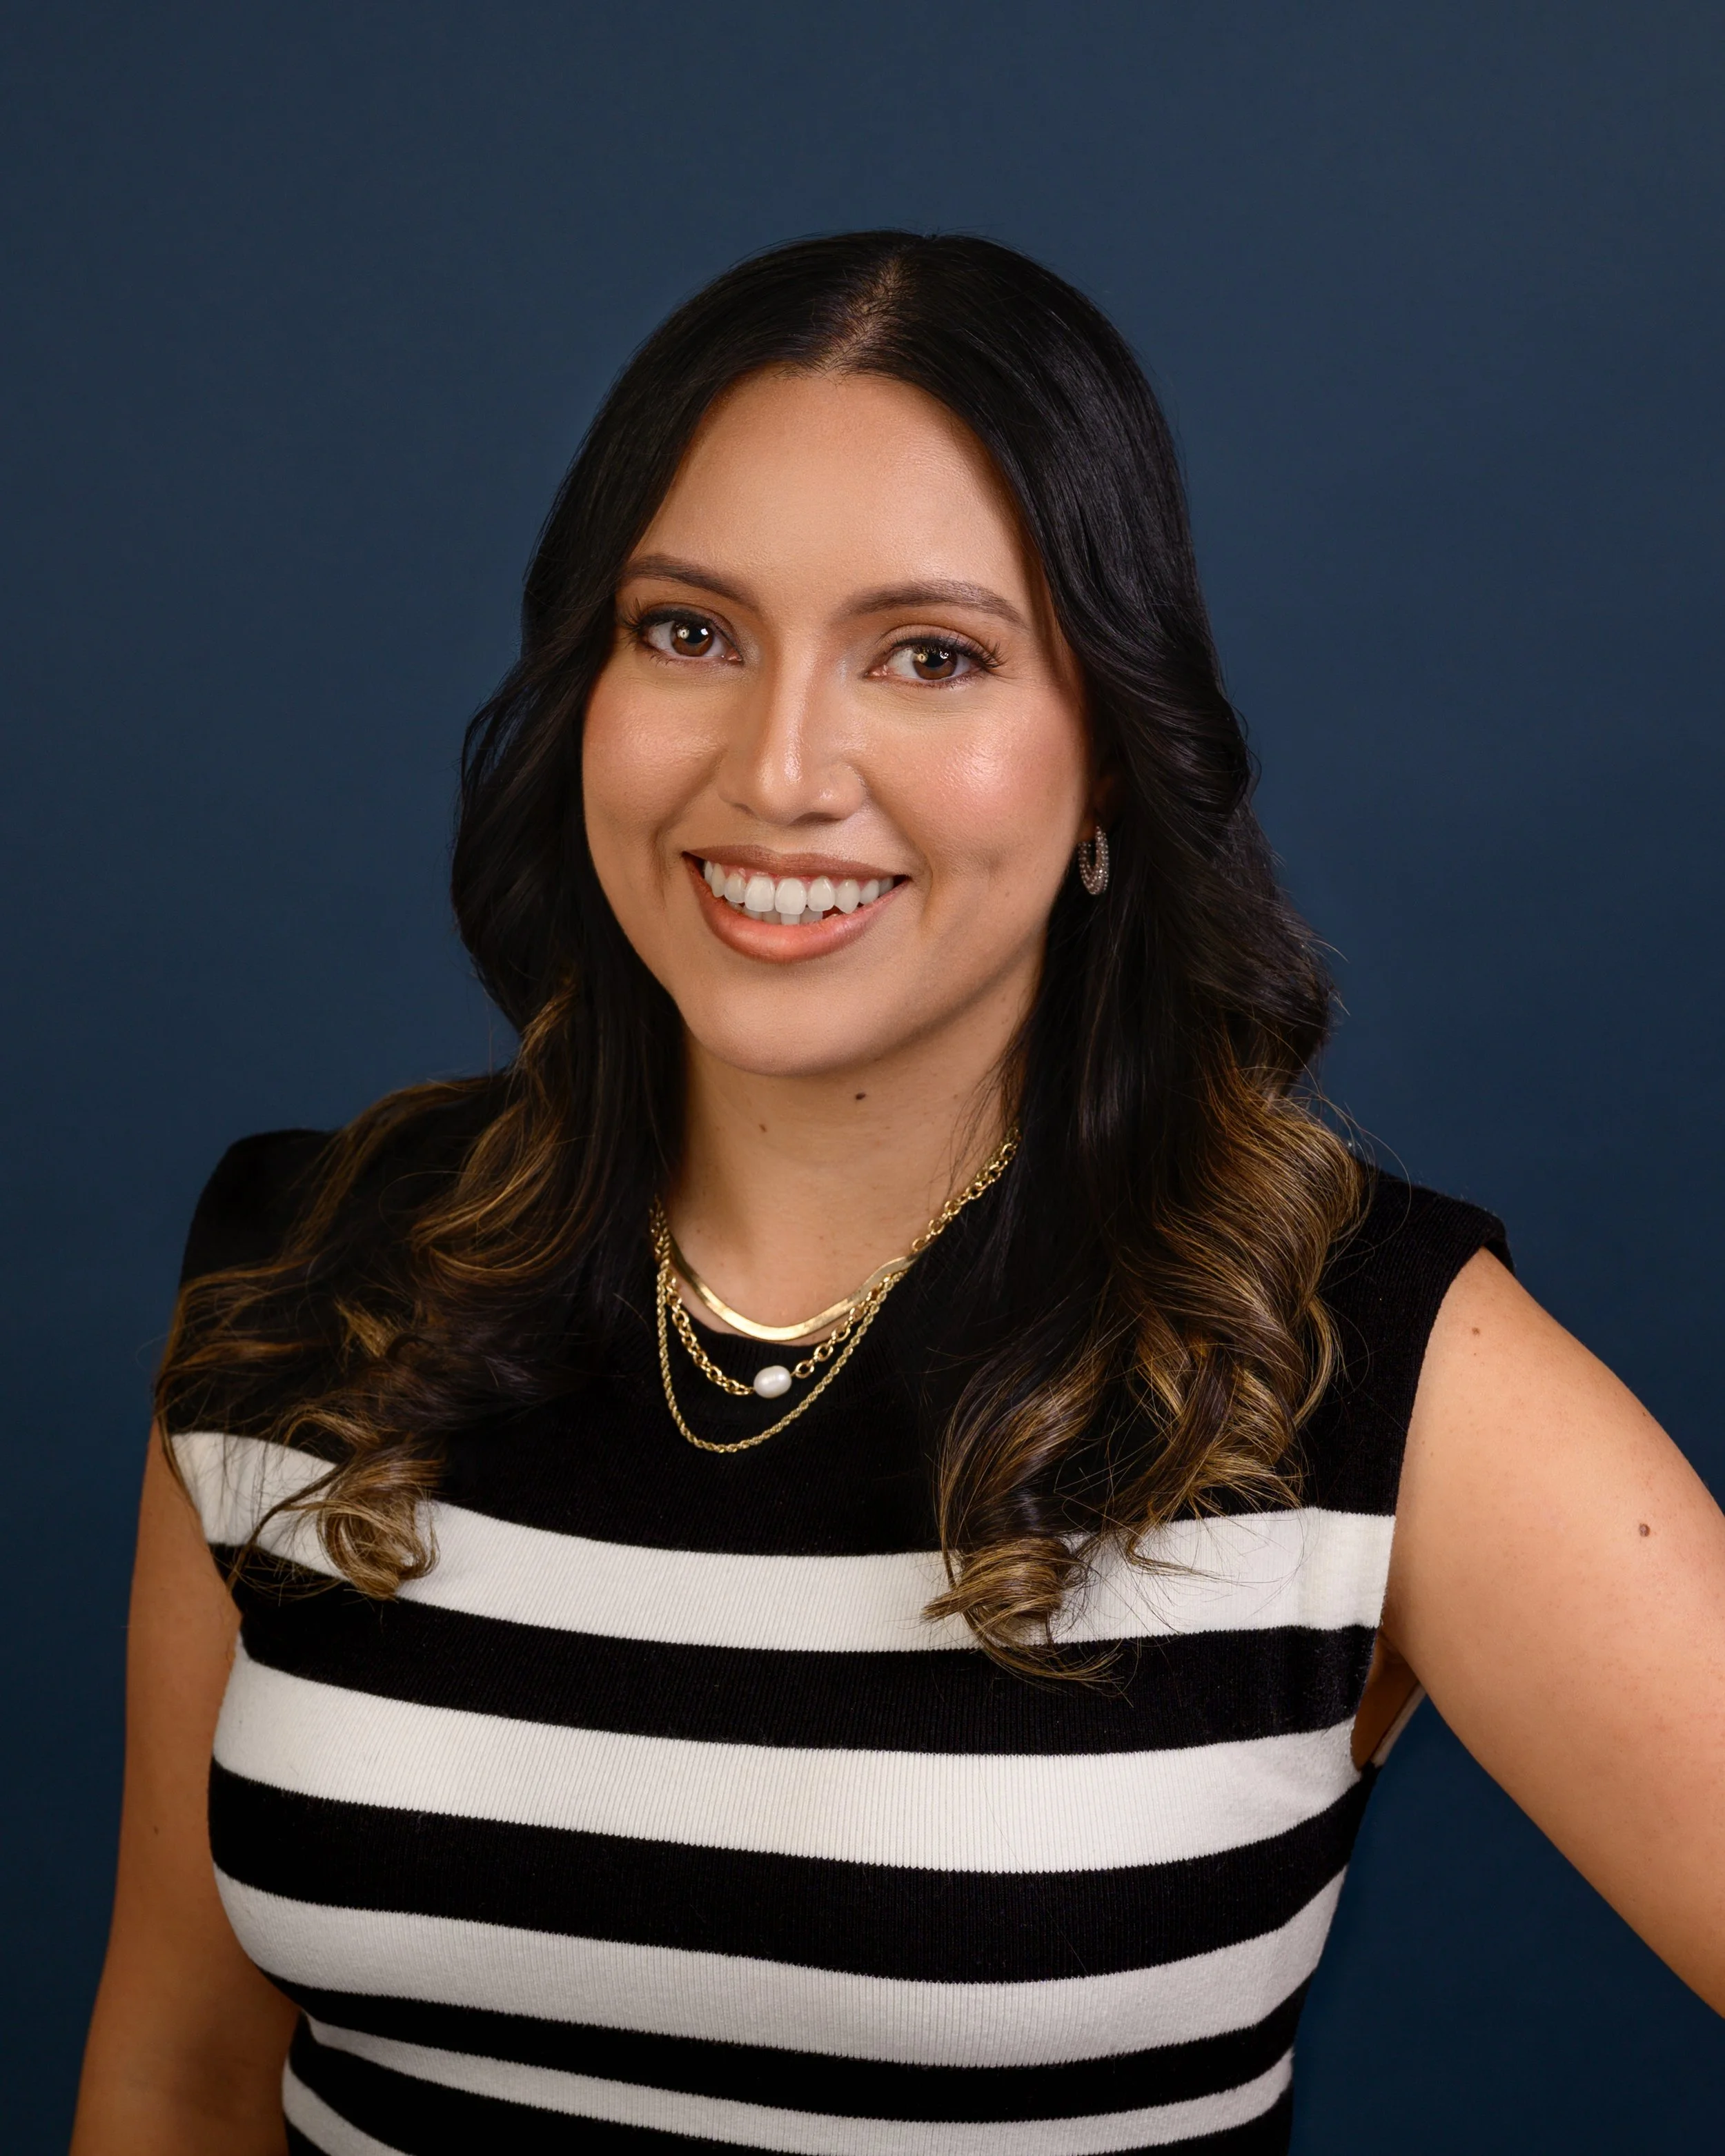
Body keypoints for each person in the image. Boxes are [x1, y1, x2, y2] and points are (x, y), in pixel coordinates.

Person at [72, 232, 1725, 2156]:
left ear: (1109, 752)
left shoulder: (1358, 1357)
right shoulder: (313, 1280)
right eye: (687, 630)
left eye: (928, 655)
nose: (780, 772)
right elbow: (179, 2071)